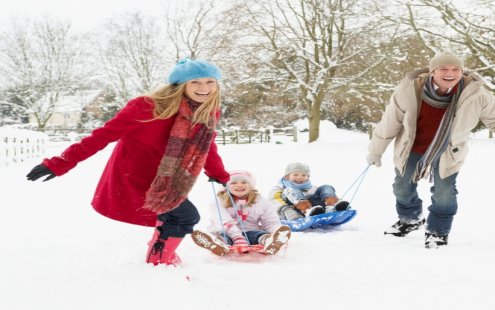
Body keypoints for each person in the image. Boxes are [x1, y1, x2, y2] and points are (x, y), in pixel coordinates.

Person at [25, 58, 231, 265]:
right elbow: (102, 136)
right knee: (185, 216)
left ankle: (159, 250)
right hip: (135, 175)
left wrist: (218, 173)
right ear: (181, 84)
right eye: (195, 82)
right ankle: (158, 259)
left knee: (173, 216)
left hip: (167, 178)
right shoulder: (147, 107)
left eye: (210, 81)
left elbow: (207, 146)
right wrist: (59, 163)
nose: (204, 88)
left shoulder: (206, 112)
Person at [366, 51, 495, 249]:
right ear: (433, 71)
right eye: (444, 69)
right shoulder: (409, 90)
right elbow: (390, 122)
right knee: (401, 188)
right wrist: (375, 151)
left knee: (444, 193)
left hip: (448, 152)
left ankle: (437, 231)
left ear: (462, 71)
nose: (450, 73)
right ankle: (410, 219)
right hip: (411, 149)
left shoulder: (475, 94)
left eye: (456, 69)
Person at [191, 170, 291, 255]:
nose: (239, 185)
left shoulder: (260, 201)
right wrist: (237, 237)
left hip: (250, 232)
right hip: (226, 232)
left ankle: (271, 241)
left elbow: (270, 220)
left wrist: (275, 231)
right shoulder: (218, 201)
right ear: (227, 186)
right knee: (222, 236)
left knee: (260, 235)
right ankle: (216, 244)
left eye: (244, 182)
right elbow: (223, 220)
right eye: (234, 183)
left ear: (251, 185)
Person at [269, 162, 350, 220]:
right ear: (287, 176)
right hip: (293, 211)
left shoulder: (311, 188)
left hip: (316, 210)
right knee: (291, 190)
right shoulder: (279, 188)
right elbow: (274, 200)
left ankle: (332, 206)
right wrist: (287, 210)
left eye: (303, 175)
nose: (300, 177)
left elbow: (318, 196)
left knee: (326, 187)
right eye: (295, 175)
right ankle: (306, 209)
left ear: (308, 177)